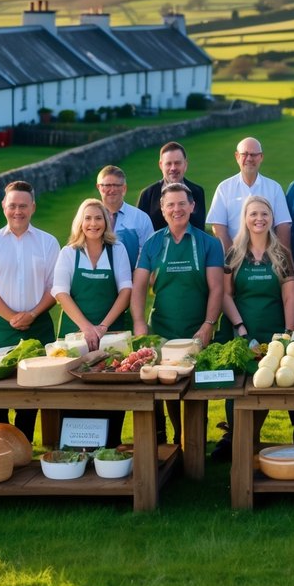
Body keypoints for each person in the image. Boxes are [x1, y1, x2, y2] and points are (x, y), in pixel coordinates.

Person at [131, 182, 224, 444]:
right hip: (162, 329)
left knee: (197, 389)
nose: (176, 209)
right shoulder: (152, 243)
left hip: (197, 330)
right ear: (162, 209)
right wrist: (139, 323)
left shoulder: (209, 243)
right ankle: (175, 438)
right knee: (167, 386)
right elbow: (138, 288)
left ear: (192, 206)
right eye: (170, 204)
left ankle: (194, 440)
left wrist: (208, 324)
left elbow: (217, 288)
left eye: (182, 203)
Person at [0, 180, 59, 442]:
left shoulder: (48, 242)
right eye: (12, 206)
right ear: (3, 206)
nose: (17, 211)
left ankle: (24, 446)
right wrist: (11, 315)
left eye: (23, 205)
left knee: (31, 394)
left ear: (33, 207)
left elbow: (56, 286)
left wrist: (32, 314)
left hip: (39, 325)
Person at [216, 194, 294, 458]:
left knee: (264, 385)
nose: (259, 219)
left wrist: (288, 332)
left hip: (273, 331)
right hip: (242, 330)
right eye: (253, 214)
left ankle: (252, 439)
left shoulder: (282, 253)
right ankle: (238, 440)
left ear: (271, 218)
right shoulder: (234, 253)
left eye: (264, 214)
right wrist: (241, 328)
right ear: (245, 218)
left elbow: (289, 295)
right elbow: (226, 295)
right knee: (238, 389)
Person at [52, 198, 133, 447]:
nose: (93, 223)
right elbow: (60, 293)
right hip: (75, 332)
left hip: (113, 331)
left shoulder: (116, 249)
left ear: (106, 222)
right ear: (80, 222)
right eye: (87, 218)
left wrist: (103, 327)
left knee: (113, 387)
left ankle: (110, 443)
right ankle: (75, 445)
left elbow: (126, 291)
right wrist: (87, 327)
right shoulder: (69, 253)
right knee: (73, 388)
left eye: (98, 218)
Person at [207, 136, 291, 254]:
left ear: (261, 157)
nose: (249, 158)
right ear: (237, 156)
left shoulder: (274, 188)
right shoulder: (224, 188)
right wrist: (234, 257)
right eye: (245, 154)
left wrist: (280, 258)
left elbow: (283, 226)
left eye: (254, 154)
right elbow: (218, 228)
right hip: (233, 258)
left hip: (268, 259)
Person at [137, 142, 206, 232]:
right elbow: (140, 230)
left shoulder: (197, 192)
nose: (173, 168)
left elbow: (200, 228)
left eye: (177, 163)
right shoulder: (148, 195)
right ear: (161, 165)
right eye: (168, 164)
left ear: (185, 164)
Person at [96, 164, 154, 270]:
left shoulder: (141, 218)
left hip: (132, 280)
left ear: (124, 188)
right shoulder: (88, 219)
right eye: (107, 185)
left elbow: (148, 255)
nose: (112, 190)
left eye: (117, 185)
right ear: (99, 187)